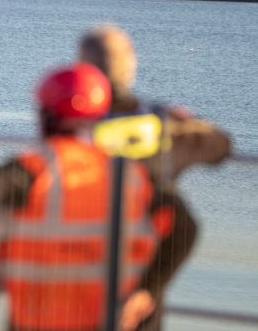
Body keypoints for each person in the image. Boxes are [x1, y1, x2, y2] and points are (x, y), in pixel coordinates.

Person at [0, 63, 175, 331]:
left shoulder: (31, 168)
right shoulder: (132, 173)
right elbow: (184, 226)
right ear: (101, 117)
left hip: (35, 319)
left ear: (45, 116)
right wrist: (148, 289)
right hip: (110, 318)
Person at [79, 25, 231, 330]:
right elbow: (220, 147)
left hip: (80, 269)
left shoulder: (71, 120)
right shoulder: (160, 122)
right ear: (131, 67)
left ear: (83, 67)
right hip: (142, 274)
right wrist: (185, 123)